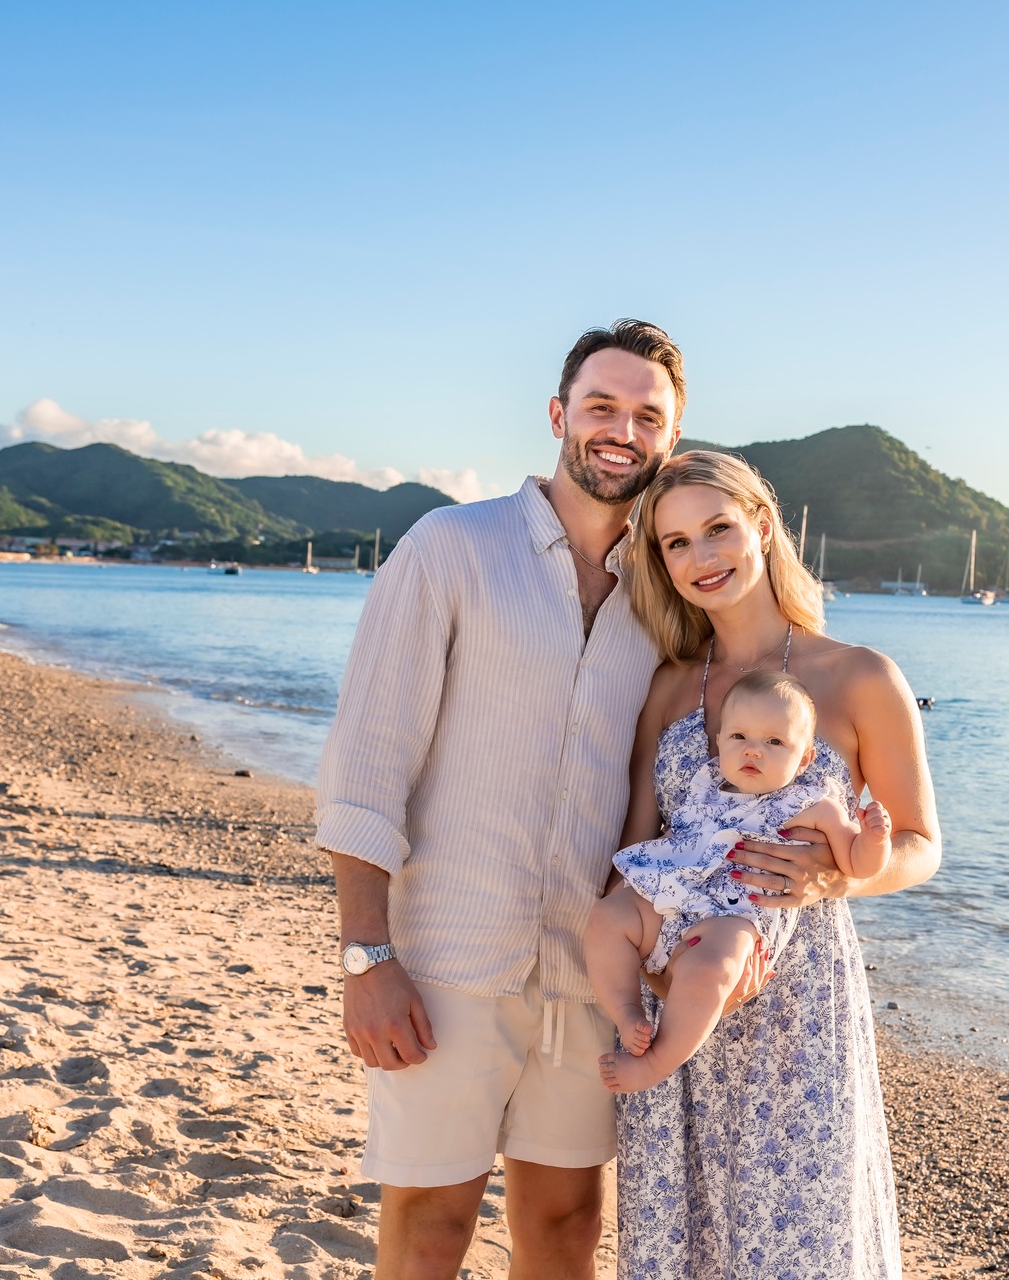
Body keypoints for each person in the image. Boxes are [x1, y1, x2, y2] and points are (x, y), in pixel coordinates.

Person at [314, 320, 696, 1280]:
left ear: (670, 441)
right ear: (560, 414)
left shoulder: (666, 595)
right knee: (432, 1222)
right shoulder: (450, 547)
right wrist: (368, 957)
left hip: (590, 966)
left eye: (646, 415)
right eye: (602, 405)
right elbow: (367, 762)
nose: (621, 428)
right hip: (447, 956)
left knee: (568, 1223)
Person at [613, 449, 943, 1279]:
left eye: (717, 528)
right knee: (682, 1241)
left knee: (803, 1244)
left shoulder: (861, 675)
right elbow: (634, 855)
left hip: (800, 1004)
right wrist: (648, 970)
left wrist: (842, 876)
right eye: (675, 543)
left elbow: (920, 844)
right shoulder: (668, 689)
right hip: (677, 996)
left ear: (761, 522)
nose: (701, 558)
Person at [586, 669, 891, 1094]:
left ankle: (654, 1063)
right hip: (671, 894)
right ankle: (627, 1012)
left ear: (804, 758)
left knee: (713, 968)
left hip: (734, 914)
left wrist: (874, 838)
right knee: (608, 916)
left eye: (774, 742)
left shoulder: (814, 803)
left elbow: (857, 864)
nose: (753, 751)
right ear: (719, 742)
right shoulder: (707, 782)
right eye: (739, 738)